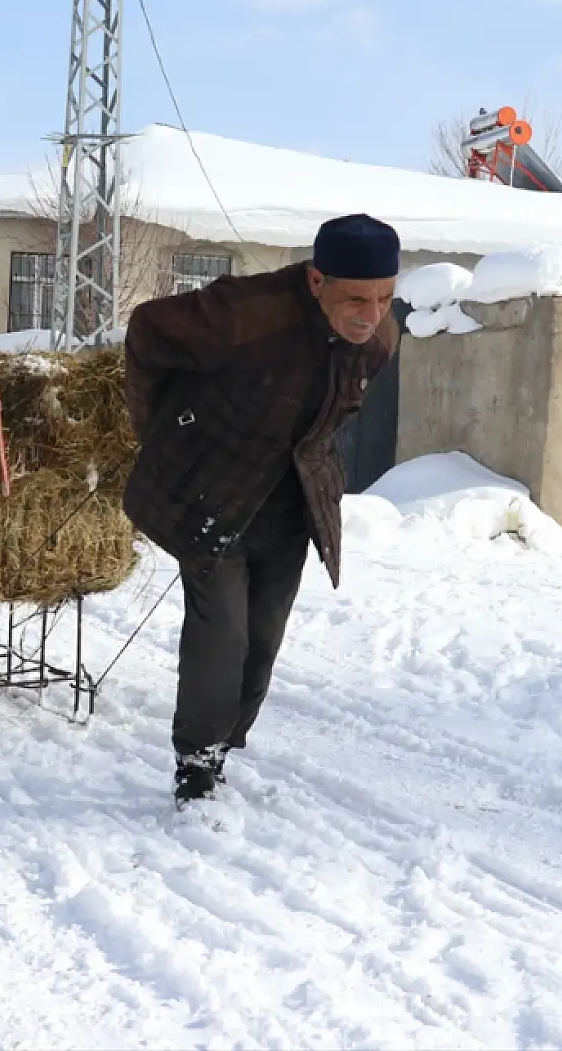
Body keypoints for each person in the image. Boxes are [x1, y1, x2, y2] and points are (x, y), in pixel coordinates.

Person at [121, 214, 402, 809]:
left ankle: (221, 748)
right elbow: (147, 330)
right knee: (220, 634)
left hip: (290, 505)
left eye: (383, 297)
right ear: (317, 280)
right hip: (209, 494)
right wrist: (161, 431)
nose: (370, 313)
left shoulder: (379, 338)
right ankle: (196, 770)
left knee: (261, 643)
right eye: (355, 297)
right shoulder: (244, 313)